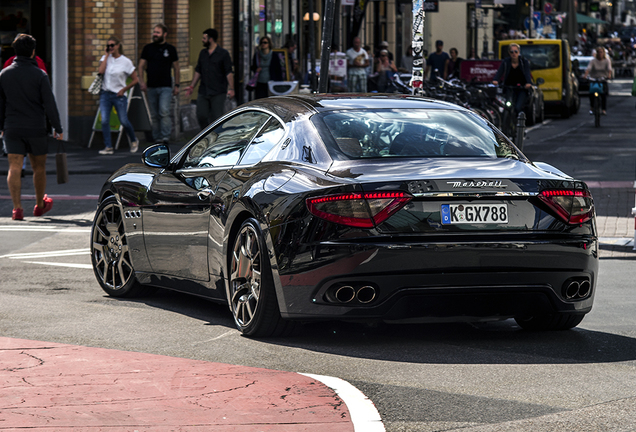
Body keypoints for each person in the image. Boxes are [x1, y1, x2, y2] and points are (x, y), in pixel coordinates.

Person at [0, 34, 63, 221]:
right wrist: (57, 128)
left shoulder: (4, 75)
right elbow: (49, 104)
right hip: (36, 127)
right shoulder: (40, 75)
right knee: (39, 167)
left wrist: (1, 126)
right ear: (33, 52)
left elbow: (0, 105)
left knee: (14, 167)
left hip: (12, 127)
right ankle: (39, 205)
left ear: (15, 51)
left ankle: (17, 209)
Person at [97, 36, 139, 155]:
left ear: (118, 46)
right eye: (108, 46)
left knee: (123, 120)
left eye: (112, 45)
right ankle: (108, 146)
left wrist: (124, 89)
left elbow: (135, 80)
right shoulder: (106, 59)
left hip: (119, 95)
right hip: (105, 93)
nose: (110, 48)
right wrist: (106, 56)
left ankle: (134, 140)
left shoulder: (126, 62)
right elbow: (100, 71)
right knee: (104, 120)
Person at [138, 23, 180, 145]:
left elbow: (176, 68)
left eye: (158, 32)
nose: (155, 34)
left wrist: (177, 85)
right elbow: (140, 66)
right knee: (154, 114)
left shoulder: (171, 49)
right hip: (151, 86)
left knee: (164, 111)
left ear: (164, 34)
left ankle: (165, 137)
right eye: (154, 32)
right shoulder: (148, 48)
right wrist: (142, 82)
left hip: (166, 86)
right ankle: (157, 137)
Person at [186, 28, 235, 129]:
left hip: (218, 91)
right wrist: (192, 86)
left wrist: (231, 88)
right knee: (201, 115)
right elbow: (198, 71)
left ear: (211, 39)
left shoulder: (223, 54)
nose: (202, 40)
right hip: (204, 90)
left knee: (217, 117)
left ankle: (216, 137)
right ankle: (205, 134)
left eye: (204, 38)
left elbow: (228, 72)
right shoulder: (203, 53)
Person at [492, 43, 533, 116]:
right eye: (512, 52)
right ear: (509, 53)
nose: (514, 53)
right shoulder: (506, 62)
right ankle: (506, 122)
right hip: (509, 87)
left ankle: (519, 122)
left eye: (516, 51)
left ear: (519, 52)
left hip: (522, 88)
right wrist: (495, 79)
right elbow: (500, 72)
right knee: (507, 106)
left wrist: (528, 83)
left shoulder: (524, 62)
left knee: (518, 107)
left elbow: (527, 73)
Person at [583, 46, 612, 115]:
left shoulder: (607, 60)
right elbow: (588, 69)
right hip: (594, 79)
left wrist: (609, 75)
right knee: (591, 93)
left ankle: (603, 109)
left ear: (603, 53)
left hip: (603, 79)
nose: (600, 54)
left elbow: (609, 69)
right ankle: (592, 107)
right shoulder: (593, 61)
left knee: (603, 94)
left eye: (601, 52)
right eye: (598, 52)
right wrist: (585, 75)